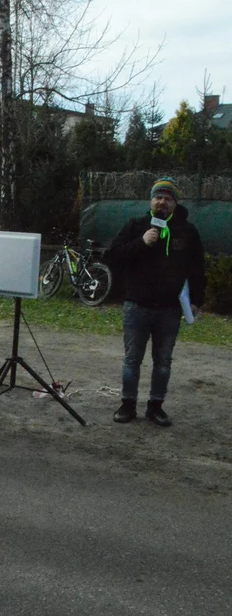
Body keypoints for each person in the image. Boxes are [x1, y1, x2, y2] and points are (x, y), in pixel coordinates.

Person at [104, 176, 206, 427]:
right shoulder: (136, 225)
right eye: (158, 197)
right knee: (132, 359)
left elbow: (197, 270)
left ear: (175, 203)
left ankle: (155, 407)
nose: (162, 202)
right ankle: (128, 405)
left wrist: (196, 301)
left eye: (168, 198)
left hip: (169, 310)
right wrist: (141, 242)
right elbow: (112, 256)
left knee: (163, 362)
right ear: (151, 201)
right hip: (136, 306)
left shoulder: (188, 231)